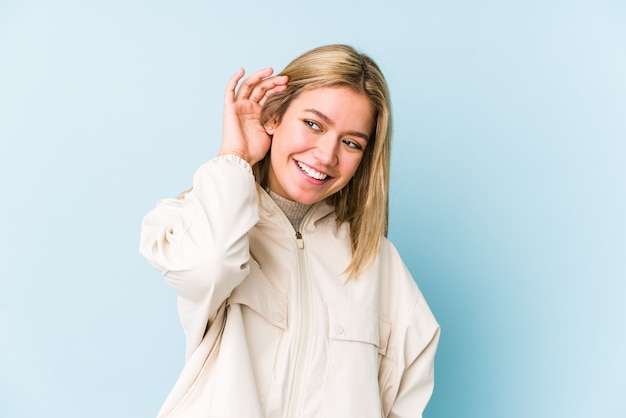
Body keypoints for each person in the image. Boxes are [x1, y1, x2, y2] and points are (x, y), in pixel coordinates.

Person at [140, 44, 440, 418]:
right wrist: (235, 157)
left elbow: (403, 401)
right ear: (274, 117)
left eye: (351, 143)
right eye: (313, 124)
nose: (327, 155)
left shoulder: (378, 263)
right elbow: (208, 266)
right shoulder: (200, 218)